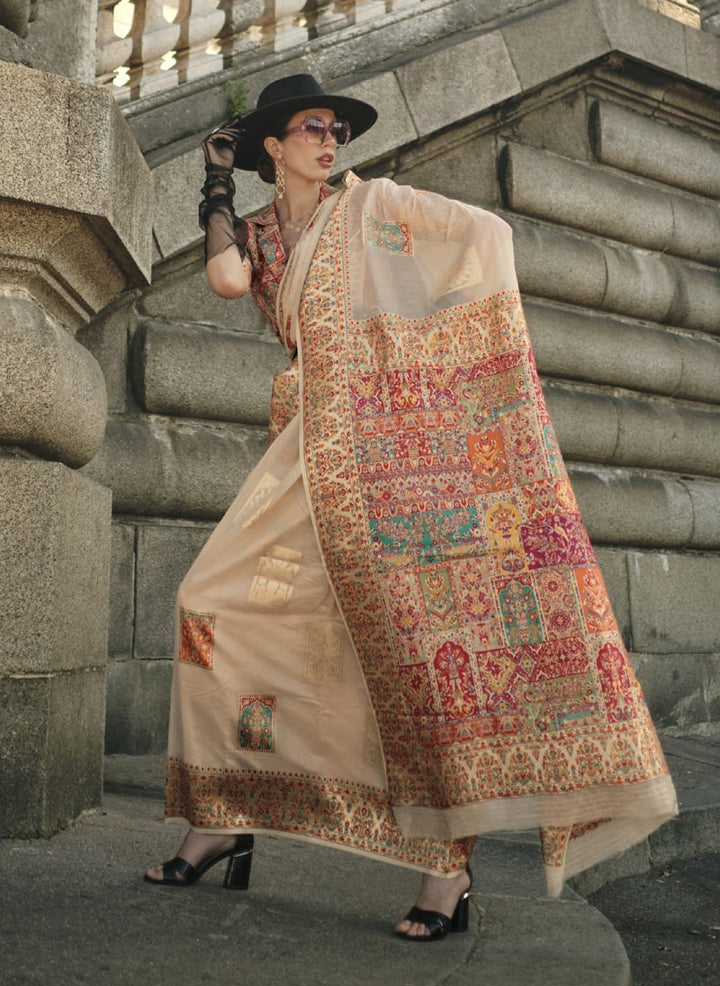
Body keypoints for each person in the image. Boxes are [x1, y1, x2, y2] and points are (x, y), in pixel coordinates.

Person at [145, 74, 678, 941]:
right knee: (213, 605)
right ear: (272, 147)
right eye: (309, 129)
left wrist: (431, 378)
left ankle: (446, 874)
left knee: (410, 647)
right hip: (303, 455)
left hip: (390, 458)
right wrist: (216, 183)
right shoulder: (259, 234)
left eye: (335, 130)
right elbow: (226, 283)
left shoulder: (378, 208)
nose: (329, 141)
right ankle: (228, 809)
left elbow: (487, 237)